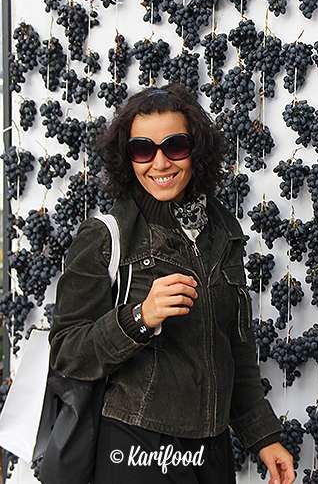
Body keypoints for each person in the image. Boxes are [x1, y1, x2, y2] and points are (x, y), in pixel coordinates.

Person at [48, 83, 295, 484]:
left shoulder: (222, 231)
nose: (160, 163)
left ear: (196, 150)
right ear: (127, 158)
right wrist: (140, 318)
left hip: (211, 451)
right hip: (136, 446)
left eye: (175, 146)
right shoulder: (107, 235)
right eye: (142, 150)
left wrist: (263, 437)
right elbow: (67, 352)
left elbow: (235, 347)